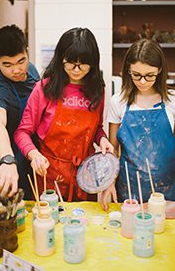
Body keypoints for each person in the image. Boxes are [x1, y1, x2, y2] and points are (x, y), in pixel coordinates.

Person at [14, 27, 114, 201]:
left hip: (85, 175)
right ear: (61, 59)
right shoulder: (45, 88)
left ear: (93, 62)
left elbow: (96, 129)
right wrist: (34, 154)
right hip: (49, 174)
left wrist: (102, 139)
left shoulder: (97, 89)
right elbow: (22, 132)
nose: (76, 69)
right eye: (70, 63)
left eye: (83, 64)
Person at [101, 39, 175, 215]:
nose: (142, 81)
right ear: (128, 71)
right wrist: (109, 181)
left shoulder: (172, 100)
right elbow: (113, 151)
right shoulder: (118, 101)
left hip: (167, 190)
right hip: (130, 189)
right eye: (136, 75)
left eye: (149, 75)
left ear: (160, 71)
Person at [0, 25, 40, 198]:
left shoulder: (31, 69)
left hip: (41, 155)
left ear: (27, 52)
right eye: (7, 64)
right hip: (18, 164)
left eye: (21, 61)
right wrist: (7, 160)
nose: (16, 70)